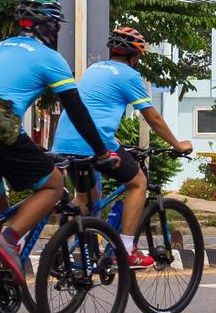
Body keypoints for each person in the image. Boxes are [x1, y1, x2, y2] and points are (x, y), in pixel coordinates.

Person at [0, 0, 111, 287]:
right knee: (54, 184)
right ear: (48, 26)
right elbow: (76, 109)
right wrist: (101, 151)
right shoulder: (49, 58)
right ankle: (10, 241)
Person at [51, 26, 194, 269]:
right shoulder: (129, 75)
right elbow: (153, 119)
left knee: (87, 201)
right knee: (138, 183)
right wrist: (178, 144)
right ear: (135, 56)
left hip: (64, 142)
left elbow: (95, 109)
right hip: (94, 144)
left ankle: (57, 249)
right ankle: (126, 250)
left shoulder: (94, 69)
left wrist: (117, 143)